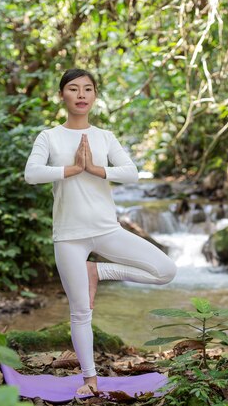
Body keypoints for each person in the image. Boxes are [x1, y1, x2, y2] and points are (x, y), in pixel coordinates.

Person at [24, 68, 177, 396]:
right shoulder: (49, 137)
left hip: (107, 230)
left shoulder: (105, 137)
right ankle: (90, 380)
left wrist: (94, 168)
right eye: (74, 89)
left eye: (88, 89)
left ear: (94, 96)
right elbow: (32, 174)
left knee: (166, 271)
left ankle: (98, 271)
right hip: (68, 235)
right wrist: (72, 169)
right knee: (80, 312)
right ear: (62, 95)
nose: (81, 95)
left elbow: (131, 173)